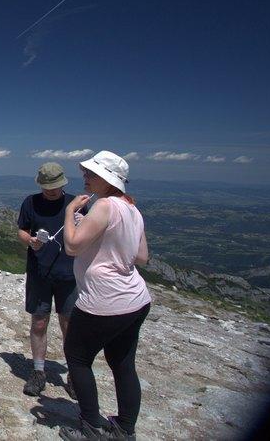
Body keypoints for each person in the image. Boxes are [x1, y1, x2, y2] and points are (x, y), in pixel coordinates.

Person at [59, 151, 151, 441]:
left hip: (103, 300)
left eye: (91, 173)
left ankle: (90, 427)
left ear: (107, 179)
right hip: (136, 299)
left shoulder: (104, 205)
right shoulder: (132, 209)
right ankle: (125, 429)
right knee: (123, 363)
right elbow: (142, 256)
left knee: (77, 358)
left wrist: (70, 213)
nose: (85, 176)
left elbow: (72, 246)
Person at [17, 162, 77, 398]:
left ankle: (75, 374)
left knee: (69, 324)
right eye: (47, 187)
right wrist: (30, 241)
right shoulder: (30, 203)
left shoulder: (76, 205)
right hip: (39, 272)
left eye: (55, 186)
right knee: (39, 322)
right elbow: (22, 230)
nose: (51, 191)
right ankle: (38, 371)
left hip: (70, 273)